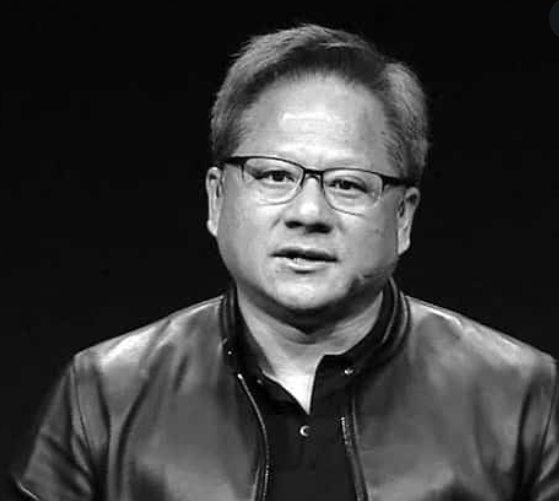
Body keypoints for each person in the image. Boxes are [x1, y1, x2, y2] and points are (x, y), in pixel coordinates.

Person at [7, 24, 559, 501]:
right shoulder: (103, 396)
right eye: (275, 175)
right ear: (217, 198)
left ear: (403, 217)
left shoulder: (524, 398)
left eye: (347, 184)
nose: (309, 212)